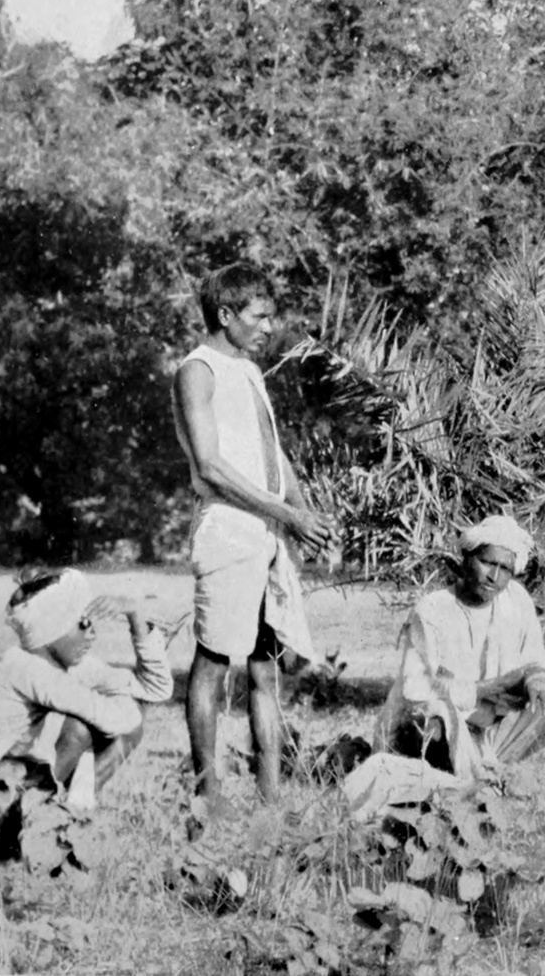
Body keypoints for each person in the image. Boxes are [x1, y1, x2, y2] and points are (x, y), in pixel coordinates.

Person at [172, 262, 333, 830]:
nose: (269, 327)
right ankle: (207, 801)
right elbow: (211, 467)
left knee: (266, 669)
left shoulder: (249, 371)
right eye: (259, 316)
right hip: (227, 531)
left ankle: (271, 801)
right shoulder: (198, 370)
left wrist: (303, 513)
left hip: (266, 534)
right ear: (225, 314)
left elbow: (272, 450)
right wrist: (285, 513)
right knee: (213, 665)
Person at [0, 570, 170, 845]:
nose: (93, 634)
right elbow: (119, 720)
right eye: (83, 624)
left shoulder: (65, 666)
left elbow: (156, 688)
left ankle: (61, 820)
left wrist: (135, 615)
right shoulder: (26, 668)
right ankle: (41, 830)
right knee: (84, 729)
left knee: (93, 729)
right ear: (53, 630)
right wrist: (127, 702)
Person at [371, 515, 545, 782]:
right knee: (434, 720)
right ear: (466, 558)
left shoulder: (516, 600)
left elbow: (535, 659)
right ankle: (463, 780)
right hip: (433, 729)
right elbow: (417, 691)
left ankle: (488, 766)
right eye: (487, 563)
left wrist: (536, 677)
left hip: (487, 728)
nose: (494, 577)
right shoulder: (432, 609)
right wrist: (487, 688)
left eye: (505, 569)